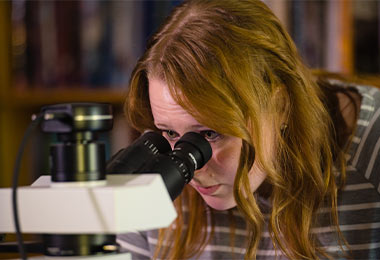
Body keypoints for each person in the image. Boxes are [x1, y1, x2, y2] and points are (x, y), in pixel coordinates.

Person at [117, 0, 380, 259]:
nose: (193, 170)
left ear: (281, 106)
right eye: (171, 133)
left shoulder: (372, 149)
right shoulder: (159, 163)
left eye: (209, 134)